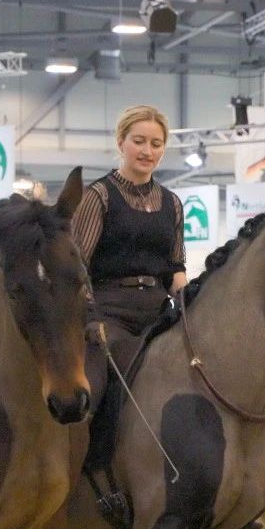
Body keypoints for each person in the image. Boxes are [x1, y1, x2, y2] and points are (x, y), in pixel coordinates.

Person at [73, 104, 187, 373]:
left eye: (156, 144)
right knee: (97, 389)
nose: (147, 151)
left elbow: (174, 269)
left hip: (158, 315)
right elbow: (77, 266)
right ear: (121, 142)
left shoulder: (173, 203)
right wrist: (90, 318)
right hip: (107, 315)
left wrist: (190, 301)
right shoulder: (97, 195)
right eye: (139, 141)